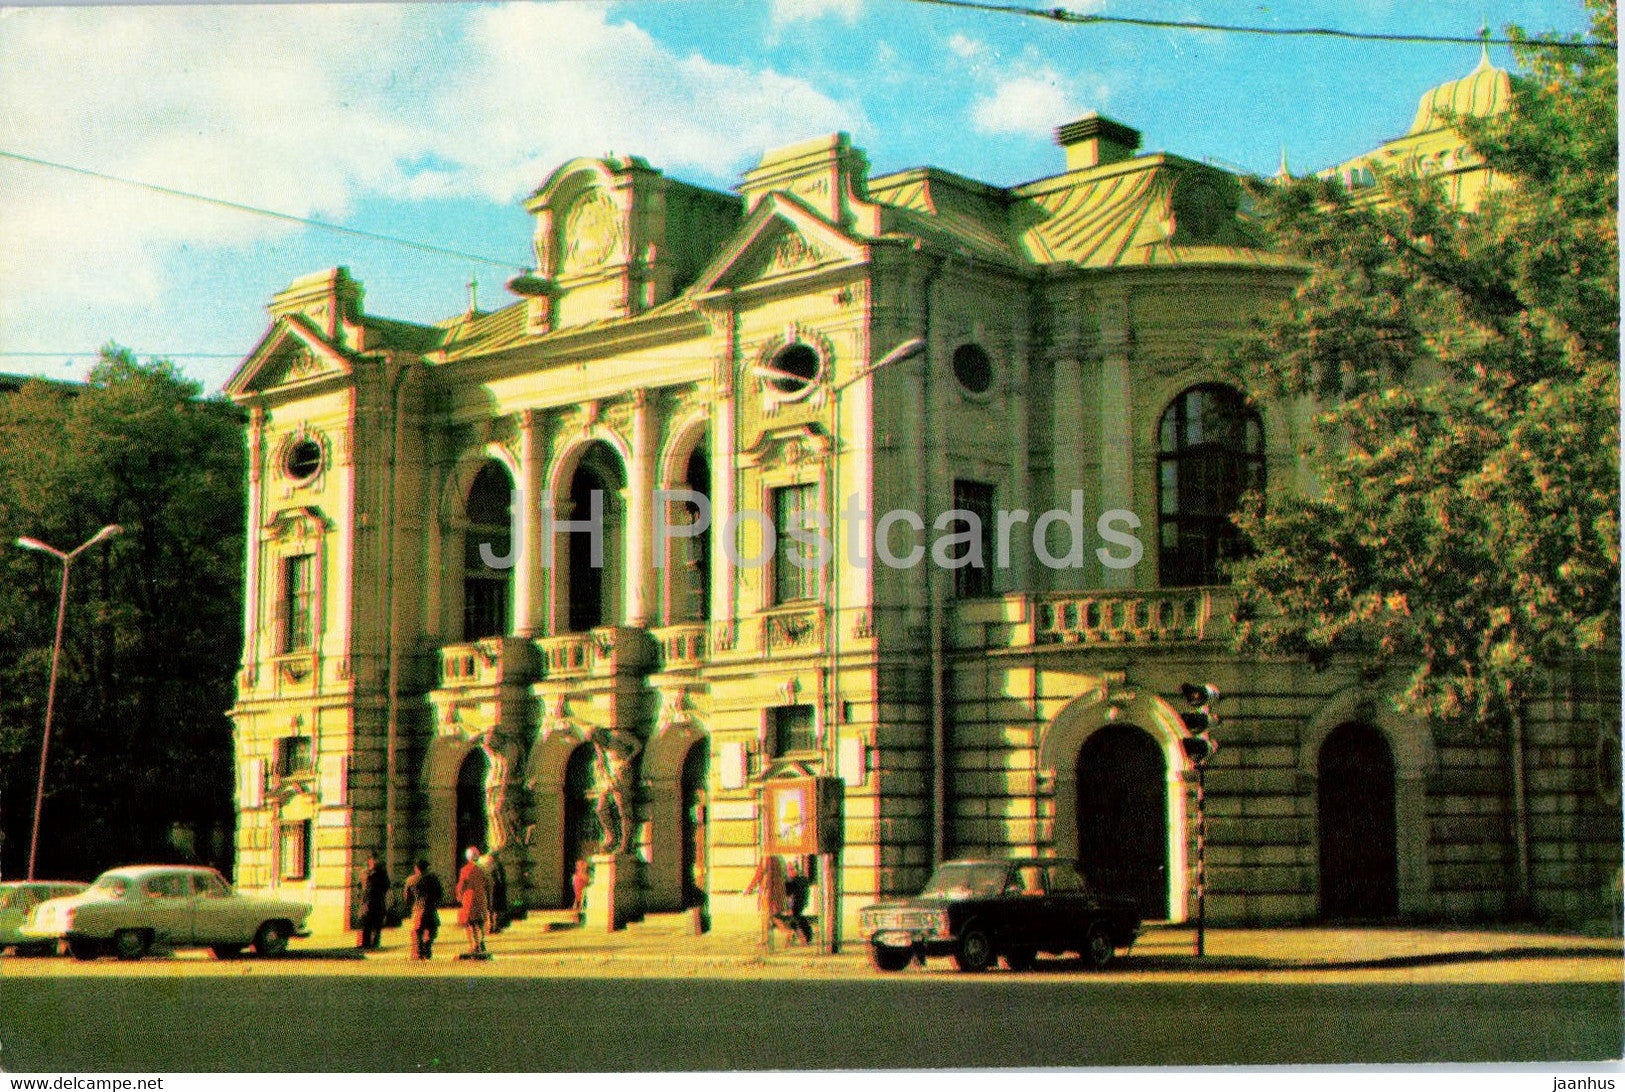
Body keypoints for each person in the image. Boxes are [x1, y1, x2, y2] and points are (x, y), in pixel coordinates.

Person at [455, 845, 492, 959]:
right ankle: (481, 942)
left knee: (470, 924)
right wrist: (488, 896)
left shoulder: (465, 870)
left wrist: (459, 896)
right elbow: (490, 884)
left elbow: (461, 886)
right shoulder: (484, 869)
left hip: (469, 899)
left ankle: (474, 945)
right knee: (480, 922)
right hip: (481, 898)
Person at [402, 859, 443, 961]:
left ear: (416, 868)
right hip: (431, 909)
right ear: (427, 868)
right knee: (433, 931)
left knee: (417, 932)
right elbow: (440, 893)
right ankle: (427, 947)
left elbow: (407, 897)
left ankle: (418, 951)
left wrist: (408, 907)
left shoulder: (410, 880)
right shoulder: (433, 878)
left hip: (417, 909)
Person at [357, 853, 391, 951]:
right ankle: (365, 943)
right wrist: (361, 896)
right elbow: (360, 886)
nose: (373, 862)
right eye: (372, 860)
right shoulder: (365, 872)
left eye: (375, 860)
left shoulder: (381, 873)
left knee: (377, 923)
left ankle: (375, 943)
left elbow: (386, 885)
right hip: (366, 902)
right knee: (366, 923)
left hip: (377, 901)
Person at [782, 859, 814, 945]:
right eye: (788, 870)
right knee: (796, 919)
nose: (789, 872)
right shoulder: (798, 879)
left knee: (794, 920)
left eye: (791, 869)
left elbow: (789, 892)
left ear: (796, 869)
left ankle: (803, 938)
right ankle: (800, 938)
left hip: (796, 904)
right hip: (796, 904)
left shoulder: (796, 880)